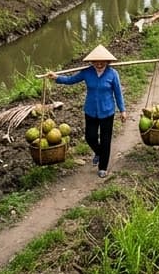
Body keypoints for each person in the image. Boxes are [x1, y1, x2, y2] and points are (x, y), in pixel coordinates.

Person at [48, 45, 126, 177]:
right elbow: (70, 80)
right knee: (90, 137)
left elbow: (118, 93)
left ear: (107, 62)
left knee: (106, 140)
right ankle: (99, 152)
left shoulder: (113, 74)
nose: (99, 64)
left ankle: (103, 167)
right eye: (96, 62)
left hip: (107, 112)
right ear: (92, 62)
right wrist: (56, 77)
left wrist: (122, 110)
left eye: (102, 62)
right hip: (90, 110)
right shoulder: (87, 72)